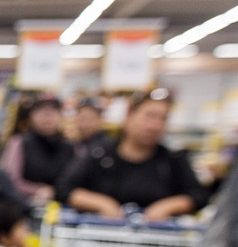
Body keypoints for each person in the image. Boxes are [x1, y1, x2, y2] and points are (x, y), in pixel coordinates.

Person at [59, 91, 204, 221]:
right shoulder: (100, 154)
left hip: (158, 241)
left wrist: (168, 206)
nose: (155, 126)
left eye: (163, 118)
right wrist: (102, 204)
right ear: (129, 116)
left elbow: (198, 196)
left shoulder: (173, 159)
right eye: (149, 116)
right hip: (100, 237)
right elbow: (64, 189)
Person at [0, 94, 75, 205]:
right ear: (31, 116)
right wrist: (36, 190)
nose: (47, 117)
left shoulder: (70, 147)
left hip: (63, 208)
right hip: (24, 206)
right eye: (42, 112)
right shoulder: (19, 143)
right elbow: (10, 181)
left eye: (53, 112)